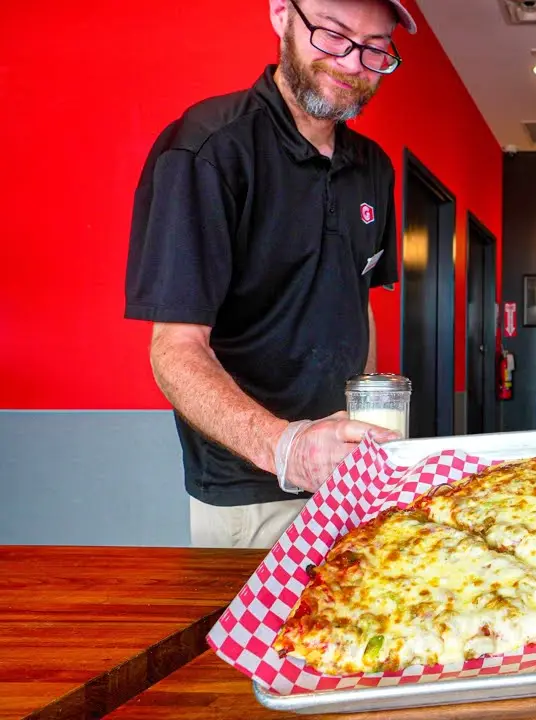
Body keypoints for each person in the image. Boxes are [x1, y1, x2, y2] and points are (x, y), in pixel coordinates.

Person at [123, 0, 418, 549]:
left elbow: (360, 301)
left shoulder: (374, 167)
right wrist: (289, 449)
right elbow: (174, 348)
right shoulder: (208, 148)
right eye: (333, 34)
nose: (354, 62)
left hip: (350, 484)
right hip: (249, 493)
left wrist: (363, 426)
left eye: (376, 47)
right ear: (282, 14)